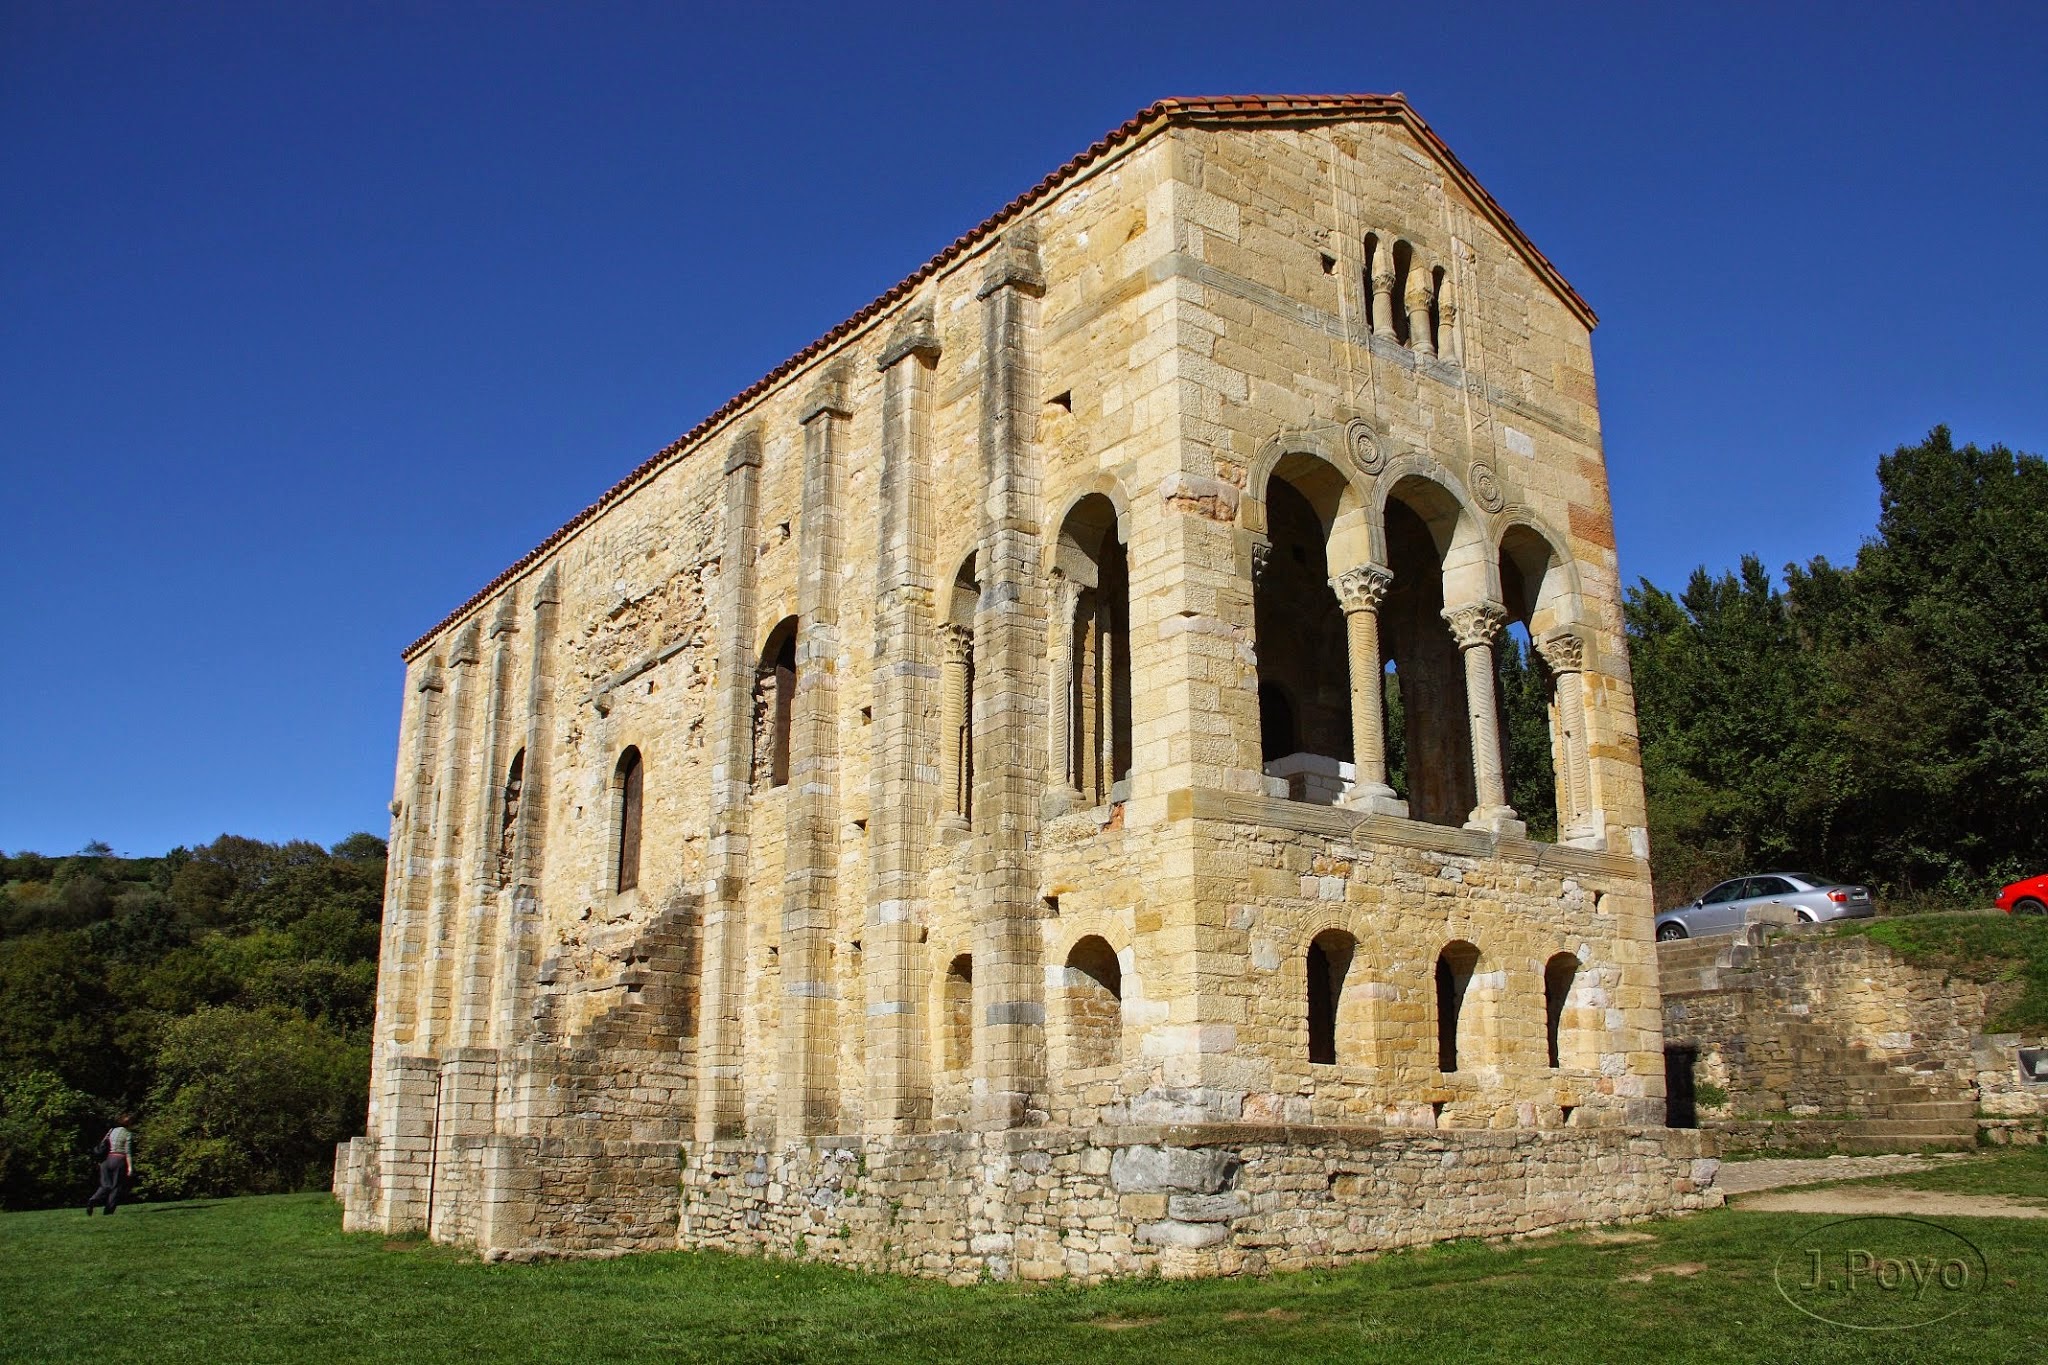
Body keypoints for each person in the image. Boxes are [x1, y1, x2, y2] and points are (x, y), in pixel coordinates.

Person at [85, 1115, 134, 1215]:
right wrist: (130, 1167)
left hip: (106, 1160)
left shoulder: (111, 1131)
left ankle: (93, 1200)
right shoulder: (128, 1134)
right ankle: (108, 1211)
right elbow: (128, 1152)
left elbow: (103, 1144)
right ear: (129, 1124)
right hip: (119, 1160)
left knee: (105, 1185)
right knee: (116, 1187)